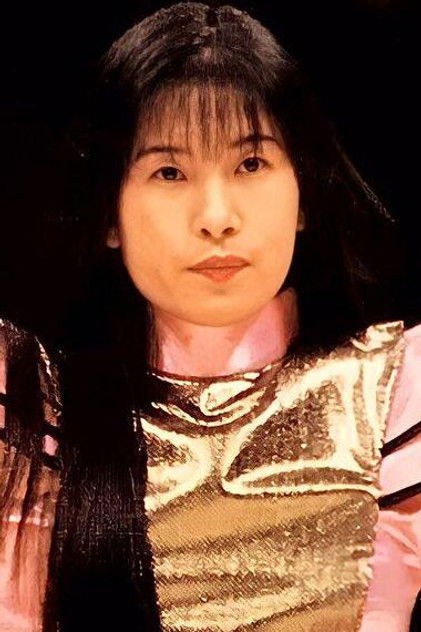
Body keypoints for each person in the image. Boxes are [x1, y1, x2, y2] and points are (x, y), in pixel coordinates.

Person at [0, 2, 420, 630]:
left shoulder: (397, 392)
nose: (216, 217)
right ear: (109, 215)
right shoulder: (32, 407)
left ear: (304, 193)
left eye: (251, 164)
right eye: (169, 171)